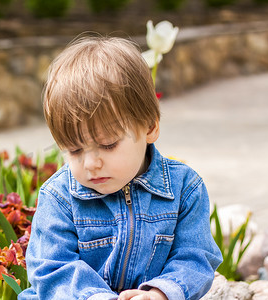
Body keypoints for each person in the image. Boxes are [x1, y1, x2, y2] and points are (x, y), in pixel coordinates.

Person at [18, 36, 222, 300]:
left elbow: (195, 257)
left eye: (108, 145)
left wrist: (160, 293)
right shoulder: (60, 197)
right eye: (75, 150)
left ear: (150, 127)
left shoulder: (184, 188)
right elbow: (51, 267)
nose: (91, 163)